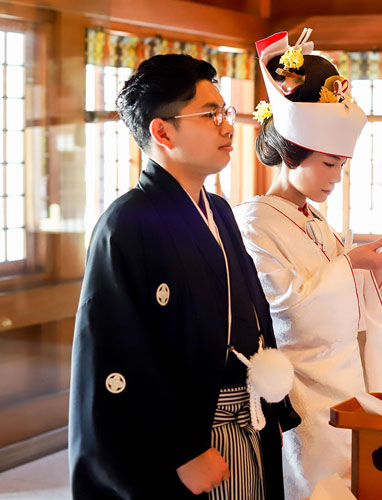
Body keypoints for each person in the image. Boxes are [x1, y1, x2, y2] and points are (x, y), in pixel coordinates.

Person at [68, 54, 298, 500]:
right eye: (211, 114)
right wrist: (182, 450)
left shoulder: (221, 212)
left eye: (225, 112)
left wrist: (275, 405)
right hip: (187, 435)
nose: (228, 126)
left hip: (245, 418)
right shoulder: (127, 223)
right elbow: (116, 354)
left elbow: (253, 316)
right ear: (162, 131)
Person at [233, 30, 382, 500]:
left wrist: (379, 269)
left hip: (351, 382)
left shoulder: (318, 222)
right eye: (328, 164)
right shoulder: (253, 222)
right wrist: (352, 262)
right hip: (305, 392)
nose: (335, 178)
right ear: (291, 153)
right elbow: (286, 317)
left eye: (341, 167)